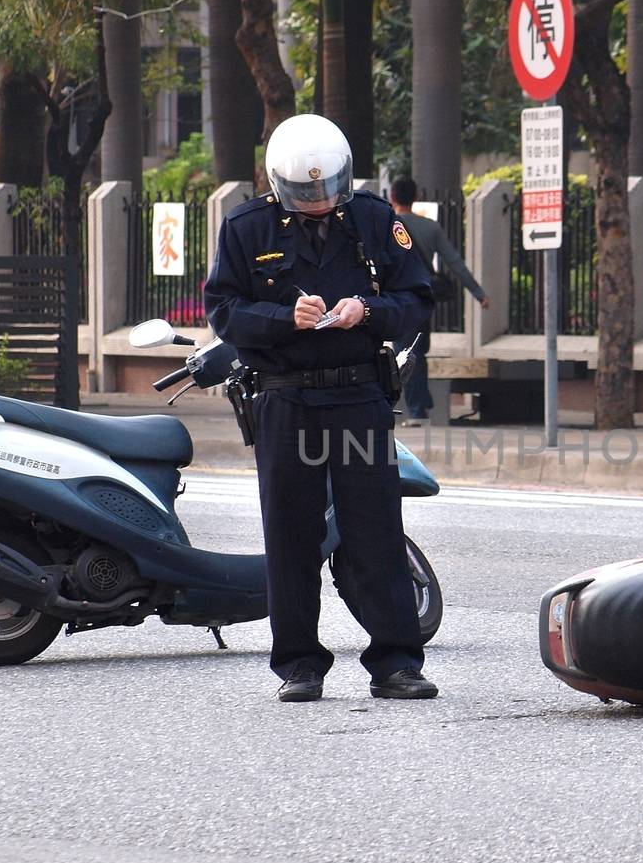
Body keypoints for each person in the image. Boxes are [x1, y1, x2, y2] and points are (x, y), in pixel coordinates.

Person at [204, 114, 438, 703]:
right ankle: (300, 665)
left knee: (376, 530)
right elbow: (224, 311)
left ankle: (396, 663)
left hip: (359, 395)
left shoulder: (376, 220)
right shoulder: (247, 227)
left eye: (328, 188)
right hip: (285, 396)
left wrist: (370, 310)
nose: (319, 201)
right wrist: (286, 318)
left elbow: (416, 298)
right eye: (305, 192)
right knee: (291, 533)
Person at [388, 176, 488, 422]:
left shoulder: (387, 225)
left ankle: (418, 409)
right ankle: (421, 405)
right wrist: (478, 293)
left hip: (397, 299)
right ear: (416, 197)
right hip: (422, 297)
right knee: (417, 352)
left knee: (405, 353)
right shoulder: (431, 228)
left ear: (392, 197)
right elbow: (455, 262)